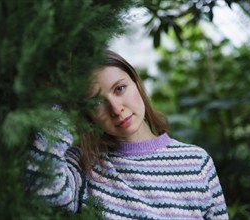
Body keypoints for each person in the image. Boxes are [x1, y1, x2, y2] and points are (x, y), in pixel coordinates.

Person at [28, 50, 229, 219]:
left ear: (137, 83)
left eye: (120, 89)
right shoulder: (84, 165)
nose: (116, 109)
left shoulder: (197, 163)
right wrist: (61, 101)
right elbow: (45, 189)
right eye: (96, 102)